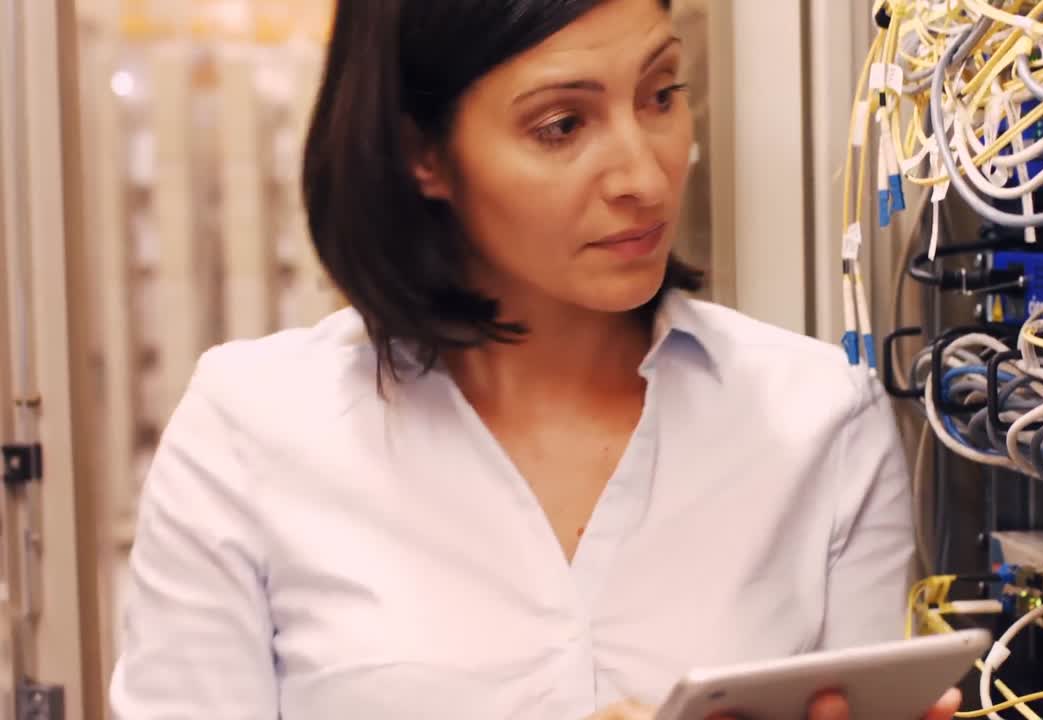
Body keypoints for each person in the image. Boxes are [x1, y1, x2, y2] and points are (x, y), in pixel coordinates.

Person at [108, 1, 960, 718]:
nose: (646, 178)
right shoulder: (249, 433)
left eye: (662, 94)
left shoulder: (820, 421)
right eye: (561, 125)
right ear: (423, 153)